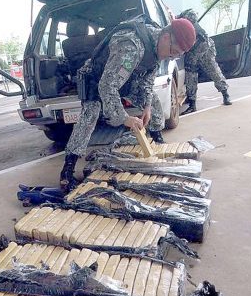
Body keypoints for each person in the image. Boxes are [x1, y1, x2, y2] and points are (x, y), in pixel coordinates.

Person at [59, 16, 197, 191]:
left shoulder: (156, 46)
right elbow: (107, 86)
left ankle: (155, 141)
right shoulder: (130, 46)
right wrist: (124, 118)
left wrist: (146, 106)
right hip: (96, 79)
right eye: (173, 51)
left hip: (124, 79)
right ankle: (67, 170)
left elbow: (147, 79)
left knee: (153, 100)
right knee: (90, 115)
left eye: (177, 55)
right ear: (166, 37)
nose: (171, 57)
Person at [176, 9, 231, 114]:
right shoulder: (179, 25)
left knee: (213, 71)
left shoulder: (186, 18)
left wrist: (181, 17)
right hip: (193, 50)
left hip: (204, 47)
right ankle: (192, 102)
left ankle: (225, 94)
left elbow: (193, 14)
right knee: (191, 76)